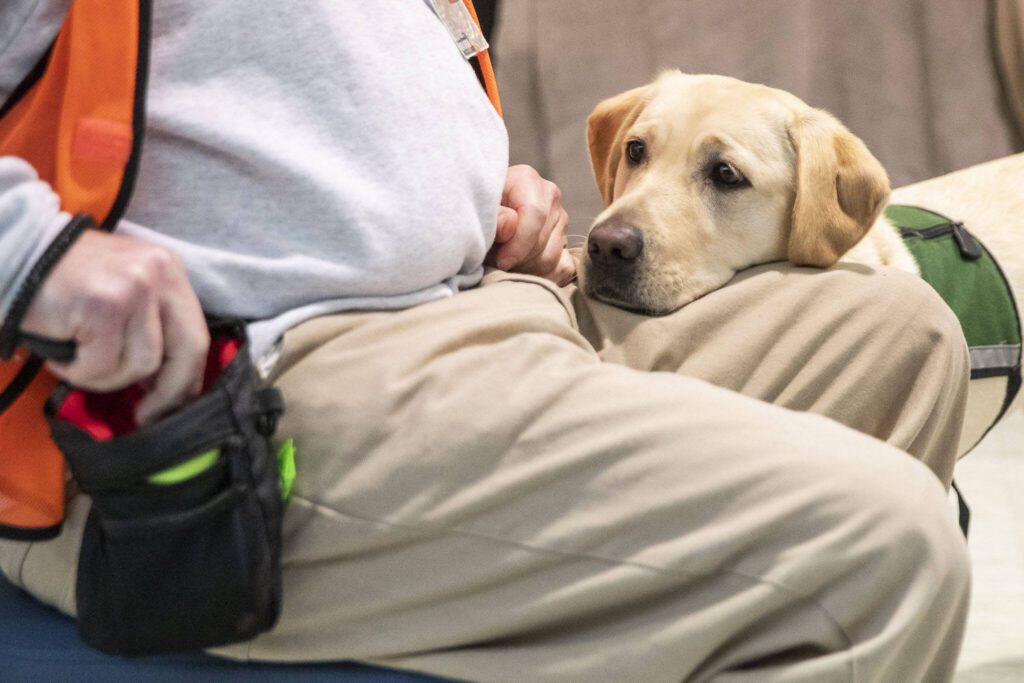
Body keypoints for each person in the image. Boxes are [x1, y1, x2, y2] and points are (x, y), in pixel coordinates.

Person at [0, 1, 970, 681]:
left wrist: (485, 196)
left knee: (911, 338)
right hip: (252, 383)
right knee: (889, 546)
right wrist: (38, 258)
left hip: (496, 303)